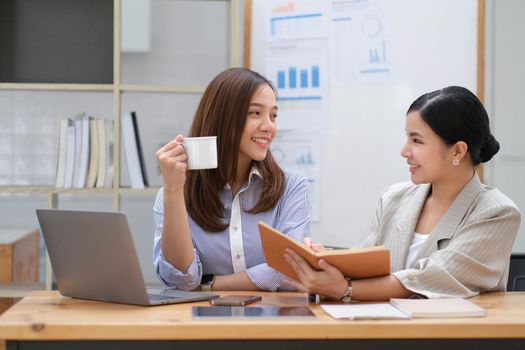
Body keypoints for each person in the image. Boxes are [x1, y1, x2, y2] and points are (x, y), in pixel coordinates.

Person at [284, 86, 520, 301]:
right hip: (383, 334)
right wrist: (324, 262)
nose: (404, 151)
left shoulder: (497, 212)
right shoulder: (394, 198)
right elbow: (360, 264)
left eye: (416, 140)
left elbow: (433, 277)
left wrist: (345, 289)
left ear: (457, 151)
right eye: (407, 137)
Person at [153, 67, 311, 292]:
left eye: (273, 115)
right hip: (201, 323)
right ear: (223, 117)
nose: (269, 127)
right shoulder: (173, 195)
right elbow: (180, 280)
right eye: (255, 113)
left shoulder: (292, 187)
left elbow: (290, 268)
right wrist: (172, 191)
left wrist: (208, 283)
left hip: (273, 321)